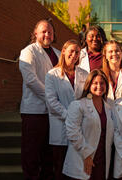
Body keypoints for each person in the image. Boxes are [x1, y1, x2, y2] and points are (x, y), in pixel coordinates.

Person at [19, 19, 60, 180]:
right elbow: (31, 80)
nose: (47, 34)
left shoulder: (58, 53)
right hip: (34, 112)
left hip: (54, 114)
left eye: (50, 31)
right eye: (43, 31)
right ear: (35, 33)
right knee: (32, 154)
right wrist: (52, 98)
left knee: (49, 155)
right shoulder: (28, 52)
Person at [45, 39, 88, 180]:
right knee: (60, 168)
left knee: (76, 169)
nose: (74, 55)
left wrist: (77, 118)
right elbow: (51, 102)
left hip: (79, 129)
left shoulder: (84, 74)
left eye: (77, 52)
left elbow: (87, 98)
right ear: (63, 51)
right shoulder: (52, 74)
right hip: (60, 128)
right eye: (71, 51)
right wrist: (70, 117)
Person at [62, 70, 114, 180]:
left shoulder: (109, 108)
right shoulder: (78, 105)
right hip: (82, 158)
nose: (99, 86)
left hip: (101, 159)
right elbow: (72, 132)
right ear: (89, 85)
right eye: (95, 83)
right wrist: (86, 155)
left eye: (102, 83)